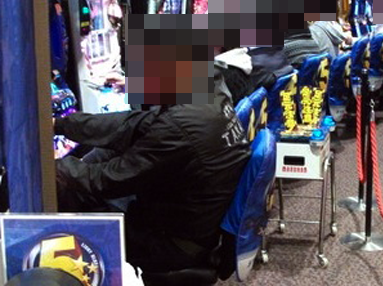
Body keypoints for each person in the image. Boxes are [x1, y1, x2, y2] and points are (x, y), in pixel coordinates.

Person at [53, 63, 251, 273]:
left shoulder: (177, 126)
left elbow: (107, 180)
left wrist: (50, 167)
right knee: (106, 153)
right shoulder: (208, 86)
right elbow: (130, 124)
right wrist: (61, 125)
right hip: (197, 219)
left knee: (71, 191)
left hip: (173, 243)